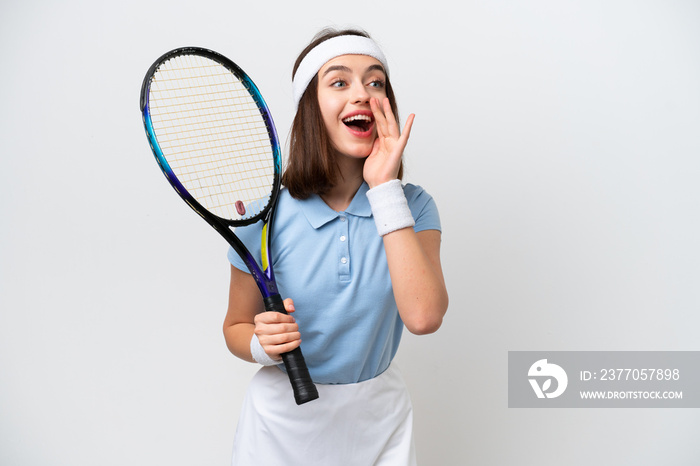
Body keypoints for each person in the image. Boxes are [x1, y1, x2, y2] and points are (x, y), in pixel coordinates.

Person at [222, 27, 449, 465]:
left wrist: (384, 190)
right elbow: (235, 326)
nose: (362, 93)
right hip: (280, 428)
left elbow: (423, 317)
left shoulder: (413, 207)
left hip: (379, 422)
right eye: (339, 81)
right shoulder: (261, 218)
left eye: (376, 81)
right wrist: (260, 344)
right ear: (310, 107)